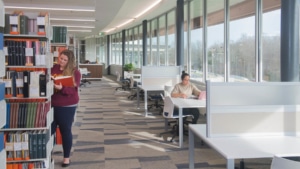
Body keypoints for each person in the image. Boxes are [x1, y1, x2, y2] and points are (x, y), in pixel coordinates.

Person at [51, 49, 81, 167]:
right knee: (49, 131)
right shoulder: (54, 68)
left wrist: (61, 88)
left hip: (67, 105)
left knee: (65, 130)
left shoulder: (75, 72)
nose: (61, 61)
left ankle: (66, 158)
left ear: (69, 61)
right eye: (60, 58)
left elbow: (73, 91)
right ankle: (48, 154)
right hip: (53, 103)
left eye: (64, 60)